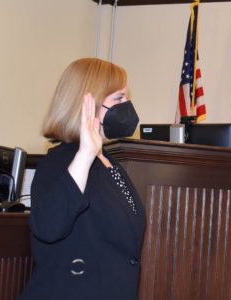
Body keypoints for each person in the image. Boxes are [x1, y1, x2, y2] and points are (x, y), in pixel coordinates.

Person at [19, 58, 146, 300]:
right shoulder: (61, 161)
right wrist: (85, 154)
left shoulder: (111, 162)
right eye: (119, 98)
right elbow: (48, 226)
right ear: (89, 102)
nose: (127, 106)